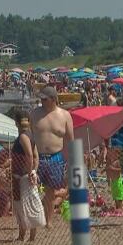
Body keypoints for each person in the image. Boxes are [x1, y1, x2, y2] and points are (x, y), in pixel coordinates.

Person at [30, 86, 74, 226]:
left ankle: (48, 220)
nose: (42, 101)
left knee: (50, 192)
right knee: (33, 189)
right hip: (37, 157)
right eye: (41, 99)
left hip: (56, 157)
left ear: (53, 99)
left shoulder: (65, 115)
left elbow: (70, 139)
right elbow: (28, 136)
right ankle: (35, 219)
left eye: (45, 99)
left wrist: (72, 160)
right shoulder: (34, 114)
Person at [12, 110, 45, 241]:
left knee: (21, 205)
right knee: (31, 205)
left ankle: (22, 236)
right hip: (28, 175)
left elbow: (30, 155)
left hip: (21, 177)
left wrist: (28, 172)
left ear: (16, 123)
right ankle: (31, 237)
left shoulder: (23, 137)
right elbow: (36, 156)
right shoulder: (31, 135)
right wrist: (33, 171)